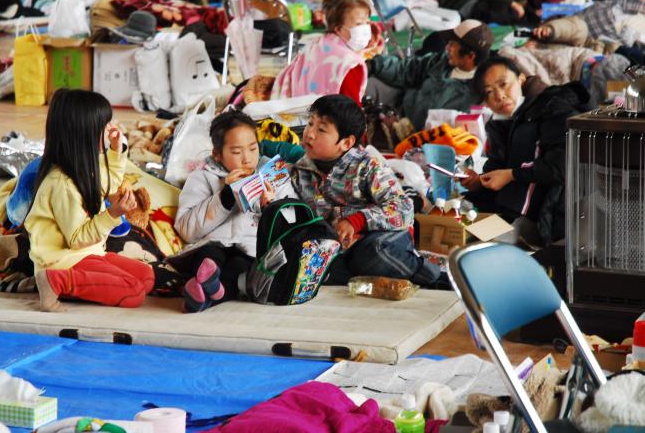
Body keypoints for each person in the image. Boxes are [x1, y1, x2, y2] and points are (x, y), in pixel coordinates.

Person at [291, 95, 445, 288]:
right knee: (315, 267)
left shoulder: (367, 166)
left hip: (381, 237)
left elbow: (404, 209)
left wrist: (356, 221)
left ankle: (433, 277)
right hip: (340, 246)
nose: (309, 134)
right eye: (310, 123)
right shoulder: (300, 171)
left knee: (374, 253)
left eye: (321, 130)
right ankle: (368, 276)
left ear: (346, 143)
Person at [25, 89, 154, 312]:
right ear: (84, 133)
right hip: (64, 260)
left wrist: (116, 151)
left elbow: (110, 185)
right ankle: (55, 281)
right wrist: (112, 214)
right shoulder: (62, 183)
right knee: (134, 292)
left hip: (90, 253)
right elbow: (76, 238)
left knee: (147, 277)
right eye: (104, 126)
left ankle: (81, 281)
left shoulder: (87, 166)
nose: (110, 130)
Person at [461, 57, 591, 247]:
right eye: (489, 92)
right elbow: (499, 170)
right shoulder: (503, 124)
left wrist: (512, 175)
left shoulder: (553, 108)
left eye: (504, 84)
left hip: (554, 223)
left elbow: (562, 166)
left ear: (521, 79)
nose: (499, 95)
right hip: (513, 217)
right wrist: (479, 183)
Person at [173, 110, 294, 312]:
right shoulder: (202, 177)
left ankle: (204, 296)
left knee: (240, 269)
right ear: (217, 154)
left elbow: (292, 224)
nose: (247, 159)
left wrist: (270, 208)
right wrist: (225, 197)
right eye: (237, 152)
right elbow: (187, 229)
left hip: (252, 251)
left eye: (253, 149)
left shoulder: (274, 175)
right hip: (213, 245)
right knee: (209, 255)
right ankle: (207, 282)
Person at [366, 19, 494, 131]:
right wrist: (374, 65)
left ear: (470, 56)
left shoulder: (479, 91)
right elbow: (407, 70)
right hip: (400, 120)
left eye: (453, 45)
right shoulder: (440, 62)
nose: (447, 48)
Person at [271, 0, 374, 106]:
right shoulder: (350, 64)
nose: (366, 29)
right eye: (359, 24)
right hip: (324, 119)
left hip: (293, 111)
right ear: (338, 28)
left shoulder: (317, 43)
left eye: (368, 22)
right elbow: (351, 112)